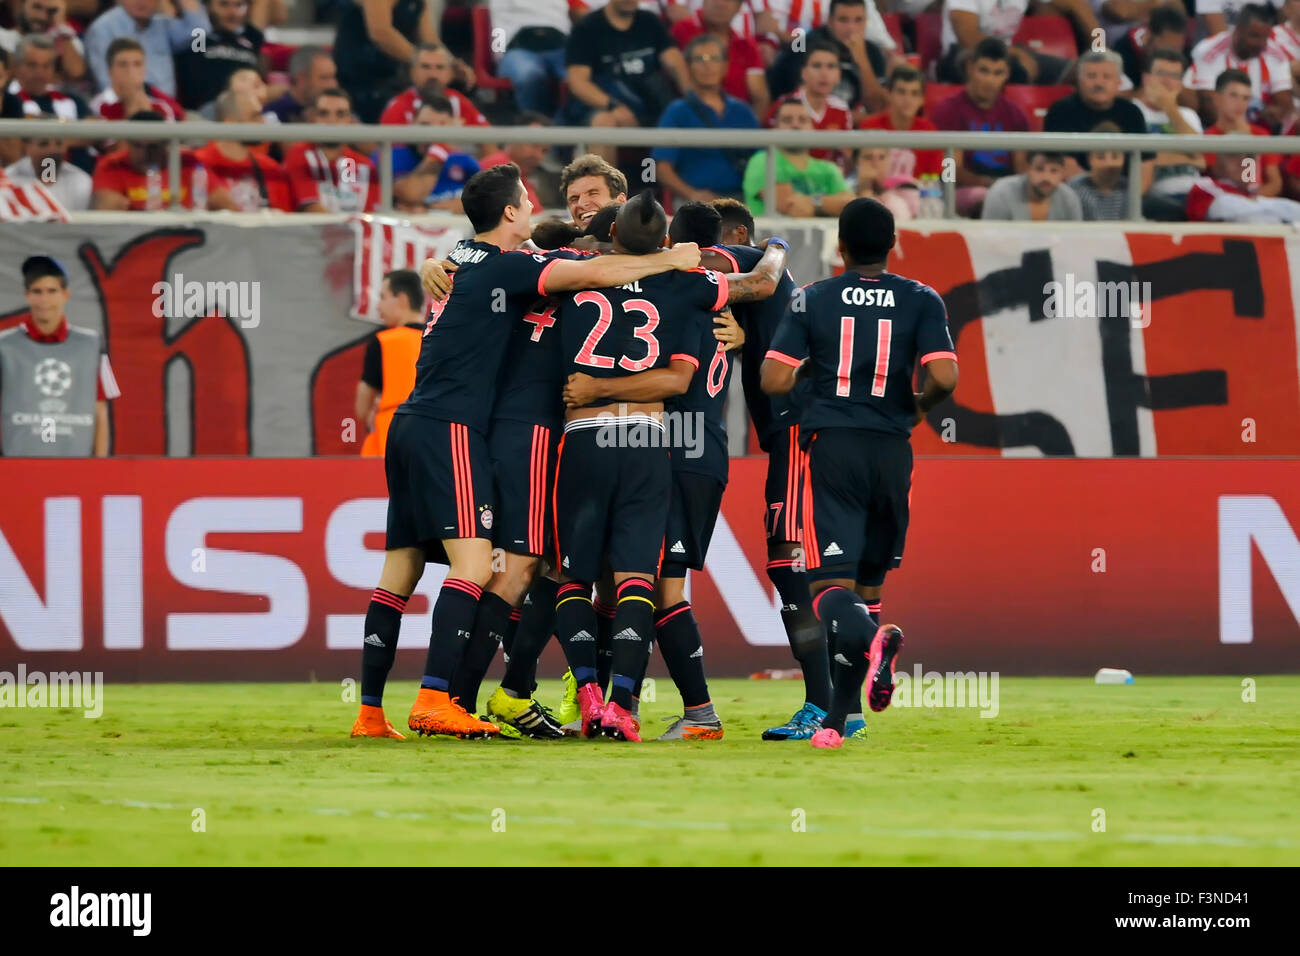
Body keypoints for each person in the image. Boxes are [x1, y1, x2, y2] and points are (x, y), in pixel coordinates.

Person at [349, 164, 704, 740]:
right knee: (517, 567)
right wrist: (673, 261)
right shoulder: (539, 262)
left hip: (452, 423)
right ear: (514, 212)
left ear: (620, 202)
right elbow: (583, 263)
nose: (578, 205)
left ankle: (404, 705)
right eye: (568, 198)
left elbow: (485, 260)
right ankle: (462, 696)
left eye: (593, 197)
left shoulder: (488, 256)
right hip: (519, 427)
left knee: (474, 567)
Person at [760, 197, 959, 749]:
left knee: (827, 588)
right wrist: (915, 408)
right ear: (892, 244)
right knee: (868, 589)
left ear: (840, 248)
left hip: (833, 448)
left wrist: (814, 382)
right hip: (892, 452)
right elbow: (945, 374)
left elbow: (773, 379)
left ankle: (876, 642)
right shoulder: (922, 299)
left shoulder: (812, 299)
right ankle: (836, 723)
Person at [546, 191, 727, 742]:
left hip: (583, 438)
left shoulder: (578, 274)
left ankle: (588, 694)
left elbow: (533, 248)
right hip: (648, 439)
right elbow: (751, 283)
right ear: (666, 242)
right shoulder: (687, 284)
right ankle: (623, 705)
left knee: (573, 578)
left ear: (613, 238)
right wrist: (773, 251)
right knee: (636, 581)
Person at [0, 255, 120, 457]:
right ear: (27, 295)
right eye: (37, 291)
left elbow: (100, 411)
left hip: (75, 466)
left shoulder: (90, 345)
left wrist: (101, 467)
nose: (44, 300)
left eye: (52, 291)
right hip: (18, 467)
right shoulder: (5, 346)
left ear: (65, 294)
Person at [563, 0, 690, 162]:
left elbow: (676, 64)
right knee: (604, 122)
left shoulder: (650, 22)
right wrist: (613, 106)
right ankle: (606, 186)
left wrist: (694, 101)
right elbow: (578, 83)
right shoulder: (587, 28)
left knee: (685, 113)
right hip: (605, 106)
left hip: (649, 103)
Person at [652, 33, 760, 207]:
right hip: (693, 200)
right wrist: (693, 194)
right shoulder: (677, 111)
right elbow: (662, 169)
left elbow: (761, 161)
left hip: (741, 199)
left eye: (714, 58)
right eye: (699, 59)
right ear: (688, 67)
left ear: (725, 66)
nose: (707, 65)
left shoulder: (743, 111)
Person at [930, 37, 1030, 217]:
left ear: (1007, 74)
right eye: (984, 71)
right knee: (986, 198)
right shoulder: (949, 110)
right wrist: (992, 185)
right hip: (960, 190)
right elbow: (953, 169)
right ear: (970, 68)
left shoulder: (1015, 114)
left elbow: (1021, 168)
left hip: (1005, 188)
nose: (990, 80)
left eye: (998, 73)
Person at [1187, 67, 1300, 221]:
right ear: (1217, 98)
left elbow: (1272, 182)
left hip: (1257, 205)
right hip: (1223, 207)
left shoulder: (1260, 136)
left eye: (1246, 98)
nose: (1240, 104)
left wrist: (1251, 200)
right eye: (1233, 96)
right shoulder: (1208, 139)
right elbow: (1224, 175)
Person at [91, 109, 236, 210]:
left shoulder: (187, 163)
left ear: (165, 146)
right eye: (137, 146)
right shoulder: (111, 165)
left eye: (152, 147)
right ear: (127, 143)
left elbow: (228, 206)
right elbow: (107, 214)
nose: (144, 154)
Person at [1044, 49, 1151, 182]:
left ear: (1119, 83)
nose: (1098, 83)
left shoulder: (1132, 113)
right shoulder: (1060, 111)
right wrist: (1097, 194)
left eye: (1106, 77)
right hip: (1078, 190)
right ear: (1079, 80)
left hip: (1126, 191)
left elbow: (1145, 163)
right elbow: (1063, 164)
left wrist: (1130, 197)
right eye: (1091, 76)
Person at [766, 0, 889, 114]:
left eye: (858, 20)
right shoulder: (805, 47)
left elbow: (877, 108)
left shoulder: (873, 52)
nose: (851, 28)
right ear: (830, 22)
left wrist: (862, 61)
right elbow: (796, 100)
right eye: (843, 20)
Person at [1186, 3, 1293, 130]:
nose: (1262, 44)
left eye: (1265, 38)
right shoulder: (1208, 52)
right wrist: (1240, 132)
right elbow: (1209, 107)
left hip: (1260, 132)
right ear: (1237, 31)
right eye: (1255, 36)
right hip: (1219, 130)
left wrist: (1273, 113)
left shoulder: (1275, 54)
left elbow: (1285, 104)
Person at [743, 97, 856, 216]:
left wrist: (813, 202)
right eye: (787, 120)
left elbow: (851, 207)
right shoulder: (762, 161)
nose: (795, 125)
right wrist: (830, 203)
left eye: (802, 120)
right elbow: (788, 204)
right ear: (775, 128)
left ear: (812, 128)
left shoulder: (828, 168)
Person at [333, 0, 440, 123]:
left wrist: (451, 63)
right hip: (360, 79)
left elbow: (428, 37)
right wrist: (423, 61)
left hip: (392, 79)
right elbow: (380, 32)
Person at [357, 269, 425, 458]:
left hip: (390, 441)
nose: (378, 307)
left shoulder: (383, 342)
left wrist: (377, 405)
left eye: (383, 297)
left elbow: (362, 407)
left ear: (402, 299)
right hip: (435, 442)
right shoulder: (443, 340)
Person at [939, 0, 1089, 85]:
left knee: (1082, 72)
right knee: (1018, 70)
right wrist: (1015, 52)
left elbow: (1077, 5)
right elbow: (968, 38)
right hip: (965, 53)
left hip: (1010, 53)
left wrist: (1100, 48)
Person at [84, 0, 212, 98]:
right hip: (123, 111)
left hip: (166, 111)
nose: (143, 1)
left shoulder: (161, 24)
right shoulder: (103, 28)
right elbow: (105, 84)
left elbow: (200, 31)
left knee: (204, 127)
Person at [1133, 47, 1205, 220]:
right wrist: (1187, 158)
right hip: (1155, 194)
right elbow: (1140, 162)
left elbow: (1200, 157)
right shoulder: (1132, 111)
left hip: (1196, 192)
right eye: (1161, 73)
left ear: (1180, 84)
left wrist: (1169, 108)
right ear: (1146, 78)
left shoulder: (1188, 115)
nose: (1167, 82)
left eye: (1174, 76)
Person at [192, 89, 293, 212]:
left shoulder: (270, 169)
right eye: (255, 116)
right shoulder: (196, 165)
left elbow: (285, 224)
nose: (263, 122)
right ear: (230, 123)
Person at [283, 88, 380, 213]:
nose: (332, 121)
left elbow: (372, 215)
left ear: (350, 120)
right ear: (313, 119)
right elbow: (313, 210)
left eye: (340, 114)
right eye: (324, 114)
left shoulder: (365, 166)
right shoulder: (299, 155)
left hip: (356, 231)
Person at [672, 0, 770, 115]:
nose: (720, 4)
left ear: (739, 8)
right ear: (703, 2)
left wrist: (749, 128)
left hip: (736, 124)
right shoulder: (682, 30)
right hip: (690, 119)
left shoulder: (747, 46)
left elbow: (760, 97)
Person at [767, 41, 854, 168]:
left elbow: (847, 158)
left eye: (831, 66)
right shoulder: (784, 106)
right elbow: (769, 152)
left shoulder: (842, 110)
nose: (824, 74)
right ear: (803, 73)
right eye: (817, 66)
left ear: (838, 75)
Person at [388, 96, 479, 213]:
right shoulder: (395, 156)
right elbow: (410, 195)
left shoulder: (464, 160)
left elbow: (483, 200)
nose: (432, 134)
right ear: (413, 122)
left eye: (442, 126)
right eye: (425, 125)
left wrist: (431, 209)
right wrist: (439, 150)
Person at [859, 64, 944, 190]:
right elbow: (862, 173)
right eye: (901, 92)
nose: (907, 99)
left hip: (918, 196)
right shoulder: (870, 127)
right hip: (877, 195)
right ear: (888, 94)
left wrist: (915, 184)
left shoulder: (929, 131)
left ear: (922, 100)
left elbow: (933, 176)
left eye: (914, 94)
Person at [175, 0, 265, 112]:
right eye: (224, 4)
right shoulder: (196, 35)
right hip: (205, 110)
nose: (233, 13)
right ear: (207, 7)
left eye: (239, 5)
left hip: (248, 105)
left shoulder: (253, 36)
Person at [489, 0, 573, 116]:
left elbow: (565, 25)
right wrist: (500, 57)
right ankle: (536, 126)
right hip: (518, 49)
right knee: (528, 75)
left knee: (581, 75)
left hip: (559, 48)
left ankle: (566, 124)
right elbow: (498, 27)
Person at [89, 37, 185, 122]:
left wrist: (148, 111)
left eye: (137, 64)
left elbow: (167, 141)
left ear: (145, 70)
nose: (130, 71)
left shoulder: (161, 107)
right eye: (123, 64)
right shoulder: (96, 107)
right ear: (110, 71)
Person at [5, 120, 92, 210]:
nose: (52, 150)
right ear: (28, 147)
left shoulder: (80, 180)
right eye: (44, 144)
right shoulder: (9, 178)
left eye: (58, 143)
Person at [0, 0, 87, 85]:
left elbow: (76, 73)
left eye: (51, 11)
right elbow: (9, 75)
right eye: (37, 7)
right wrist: (56, 76)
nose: (42, 16)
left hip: (57, 98)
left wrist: (60, 24)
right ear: (22, 5)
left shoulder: (65, 38)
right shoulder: (2, 36)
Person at [478, 112, 550, 213]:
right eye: (534, 145)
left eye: (544, 151)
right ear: (514, 137)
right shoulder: (497, 167)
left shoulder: (520, 175)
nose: (538, 155)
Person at [981, 149, 1083, 220]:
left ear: (1063, 173)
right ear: (1028, 169)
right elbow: (991, 240)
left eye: (1054, 171)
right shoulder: (1001, 193)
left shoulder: (1069, 198)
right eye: (1039, 169)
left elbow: (1074, 242)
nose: (1046, 177)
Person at [1113, 3, 1190, 90]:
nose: (1171, 56)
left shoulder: (1185, 52)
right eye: (1166, 50)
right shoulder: (1123, 50)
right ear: (1148, 35)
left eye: (1177, 48)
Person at [1069, 122, 1130, 220]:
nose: (1108, 163)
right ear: (1090, 159)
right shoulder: (1074, 189)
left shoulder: (1130, 189)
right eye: (1101, 157)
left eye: (1115, 157)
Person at [265, 45, 336, 124]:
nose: (333, 85)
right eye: (325, 78)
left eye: (333, 77)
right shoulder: (273, 116)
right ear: (302, 79)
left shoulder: (338, 110)